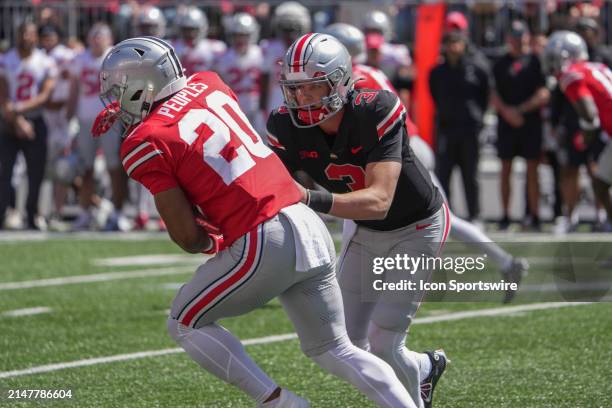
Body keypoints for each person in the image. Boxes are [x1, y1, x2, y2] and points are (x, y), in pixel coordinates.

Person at [94, 36, 418, 408]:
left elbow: (186, 236)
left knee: (184, 321)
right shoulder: (209, 82)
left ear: (140, 86)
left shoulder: (145, 140)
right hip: (305, 220)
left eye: (120, 92)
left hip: (263, 235)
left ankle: (279, 403)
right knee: (335, 347)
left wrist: (211, 238)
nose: (117, 104)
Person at [267, 33, 450, 408]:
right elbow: (271, 187)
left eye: (312, 88)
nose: (301, 99)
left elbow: (380, 200)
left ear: (339, 82)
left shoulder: (374, 109)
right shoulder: (284, 125)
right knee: (346, 339)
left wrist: (307, 197)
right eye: (294, 89)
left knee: (384, 340)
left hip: (417, 226)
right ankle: (423, 368)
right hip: (367, 232)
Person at [325, 23, 528, 302]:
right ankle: (507, 263)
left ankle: (336, 289)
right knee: (437, 219)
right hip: (404, 146)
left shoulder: (356, 76)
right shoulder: (369, 72)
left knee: (364, 216)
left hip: (398, 149)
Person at [544, 31, 612, 232]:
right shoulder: (597, 67)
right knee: (600, 182)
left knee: (601, 182)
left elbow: (590, 117)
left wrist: (585, 137)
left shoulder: (571, 75)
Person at [67, 23, 127, 231]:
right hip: (85, 120)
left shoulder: (115, 57)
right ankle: (85, 213)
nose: (97, 40)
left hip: (110, 120)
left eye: (101, 36)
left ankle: (119, 213)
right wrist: (69, 116)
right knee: (86, 168)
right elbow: (74, 89)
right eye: (94, 36)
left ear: (109, 39)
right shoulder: (80, 59)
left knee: (114, 168)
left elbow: (125, 89)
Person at [492, 20, 550, 231]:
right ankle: (505, 216)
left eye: (520, 37)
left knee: (532, 170)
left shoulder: (535, 62)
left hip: (529, 123)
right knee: (505, 169)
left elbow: (544, 93)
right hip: (506, 123)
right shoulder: (500, 63)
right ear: (509, 39)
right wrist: (507, 112)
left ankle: (534, 216)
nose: (517, 42)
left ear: (527, 37)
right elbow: (493, 93)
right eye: (513, 37)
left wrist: (520, 110)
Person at [429, 29, 491, 223]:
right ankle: (447, 215)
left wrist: (477, 118)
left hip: (469, 130)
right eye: (450, 42)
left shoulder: (476, 69)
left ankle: (475, 215)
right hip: (447, 129)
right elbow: (435, 95)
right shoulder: (437, 72)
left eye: (457, 42)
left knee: (470, 175)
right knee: (443, 175)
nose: (454, 47)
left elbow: (485, 95)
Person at [0, 21, 57, 230]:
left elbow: (45, 95)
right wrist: (16, 119)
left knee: (36, 172)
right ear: (17, 35)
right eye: (24, 33)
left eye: (31, 33)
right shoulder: (6, 59)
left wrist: (19, 110)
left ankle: (32, 214)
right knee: (5, 171)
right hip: (9, 120)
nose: (27, 37)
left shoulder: (45, 61)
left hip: (34, 119)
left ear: (36, 36)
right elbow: (3, 93)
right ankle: (4, 213)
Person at [216, 12, 263, 133]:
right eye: (237, 35)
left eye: (244, 35)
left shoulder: (260, 53)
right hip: (234, 102)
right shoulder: (224, 57)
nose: (240, 39)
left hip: (255, 103)